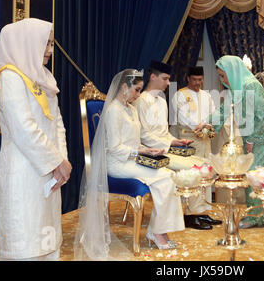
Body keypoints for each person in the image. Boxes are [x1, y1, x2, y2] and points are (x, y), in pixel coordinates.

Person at [75, 70, 184, 260]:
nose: (138, 95)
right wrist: (141, 152)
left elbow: (134, 141)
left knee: (168, 175)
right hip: (117, 164)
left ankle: (158, 230)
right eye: (136, 90)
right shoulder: (112, 111)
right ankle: (158, 233)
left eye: (140, 90)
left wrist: (148, 150)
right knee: (164, 177)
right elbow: (116, 148)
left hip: (132, 159)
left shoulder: (132, 109)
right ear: (124, 87)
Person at [0, 18, 71, 261]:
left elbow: (57, 122)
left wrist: (62, 162)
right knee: (24, 242)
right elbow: (23, 128)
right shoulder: (8, 78)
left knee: (47, 238)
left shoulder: (44, 77)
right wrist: (56, 162)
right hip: (23, 172)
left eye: (50, 44)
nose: (49, 50)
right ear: (26, 42)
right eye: (45, 44)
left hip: (49, 171)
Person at [134, 60, 219, 230]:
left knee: (205, 164)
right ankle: (190, 215)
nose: (168, 83)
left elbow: (164, 132)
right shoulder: (141, 101)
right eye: (165, 79)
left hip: (166, 147)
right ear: (153, 77)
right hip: (152, 152)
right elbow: (144, 135)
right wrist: (168, 144)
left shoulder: (161, 101)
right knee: (195, 167)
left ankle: (198, 212)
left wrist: (175, 140)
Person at [208, 55, 264, 228]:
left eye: (223, 75)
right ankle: (260, 215)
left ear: (232, 71)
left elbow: (262, 116)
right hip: (255, 134)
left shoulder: (251, 85)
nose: (222, 79)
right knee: (257, 174)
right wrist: (208, 124)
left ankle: (260, 217)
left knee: (259, 174)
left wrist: (252, 140)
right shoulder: (238, 87)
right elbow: (225, 109)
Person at [170, 66, 219, 223]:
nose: (197, 83)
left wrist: (208, 125)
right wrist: (199, 126)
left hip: (205, 140)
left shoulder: (207, 96)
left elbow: (213, 114)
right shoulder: (180, 95)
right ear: (188, 78)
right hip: (189, 140)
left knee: (206, 172)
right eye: (194, 80)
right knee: (193, 174)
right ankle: (191, 213)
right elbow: (183, 117)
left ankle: (204, 210)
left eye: (200, 79)